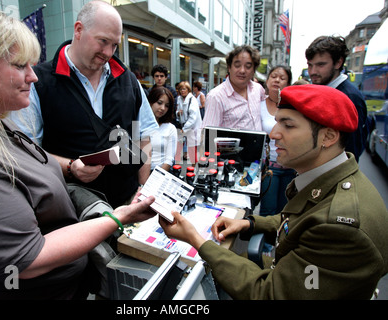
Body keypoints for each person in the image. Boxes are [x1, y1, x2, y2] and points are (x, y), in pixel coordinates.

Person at [0, 4, 156, 300]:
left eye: (114, 44)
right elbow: (26, 260)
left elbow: (144, 137)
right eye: (18, 65)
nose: (33, 76)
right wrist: (116, 217)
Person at [160, 84, 388, 299]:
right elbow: (301, 221)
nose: (274, 134)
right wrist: (250, 224)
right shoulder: (329, 180)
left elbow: (269, 293)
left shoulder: (340, 227)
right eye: (277, 122)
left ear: (328, 137)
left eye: (288, 125)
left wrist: (197, 240)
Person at [9, 1, 158, 209]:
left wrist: (143, 186)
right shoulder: (38, 82)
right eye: (103, 41)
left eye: (114, 45)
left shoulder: (128, 80)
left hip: (128, 201)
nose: (108, 52)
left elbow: (144, 137)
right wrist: (70, 167)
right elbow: (25, 151)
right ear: (78, 30)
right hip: (72, 210)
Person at [306, 36, 369, 162]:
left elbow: (352, 151)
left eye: (320, 65)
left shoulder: (350, 97)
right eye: (310, 65)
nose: (312, 71)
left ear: (338, 62)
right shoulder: (323, 91)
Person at [259, 65, 296, 253]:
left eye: (282, 78)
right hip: (269, 167)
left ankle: (281, 247)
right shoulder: (258, 105)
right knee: (268, 209)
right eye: (273, 76)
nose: (277, 80)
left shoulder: (294, 105)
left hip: (290, 166)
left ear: (288, 83)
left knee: (286, 211)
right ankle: (264, 249)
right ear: (267, 81)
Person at [202, 45, 266, 131]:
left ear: (254, 70)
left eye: (248, 66)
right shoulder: (216, 96)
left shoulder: (258, 89)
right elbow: (209, 137)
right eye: (237, 65)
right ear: (229, 67)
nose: (242, 71)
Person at [148, 87, 177, 171]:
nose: (163, 108)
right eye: (159, 103)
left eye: (167, 106)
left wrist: (156, 178)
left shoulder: (170, 128)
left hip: (160, 173)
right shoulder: (141, 126)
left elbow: (169, 160)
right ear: (150, 102)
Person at [175, 81, 202, 164]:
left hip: (192, 128)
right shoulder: (179, 99)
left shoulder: (192, 100)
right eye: (181, 89)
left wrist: (184, 128)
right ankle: (176, 166)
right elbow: (177, 111)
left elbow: (193, 118)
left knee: (192, 149)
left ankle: (194, 168)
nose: (182, 91)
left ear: (188, 90)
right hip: (183, 126)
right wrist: (178, 113)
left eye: (184, 89)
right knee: (178, 147)